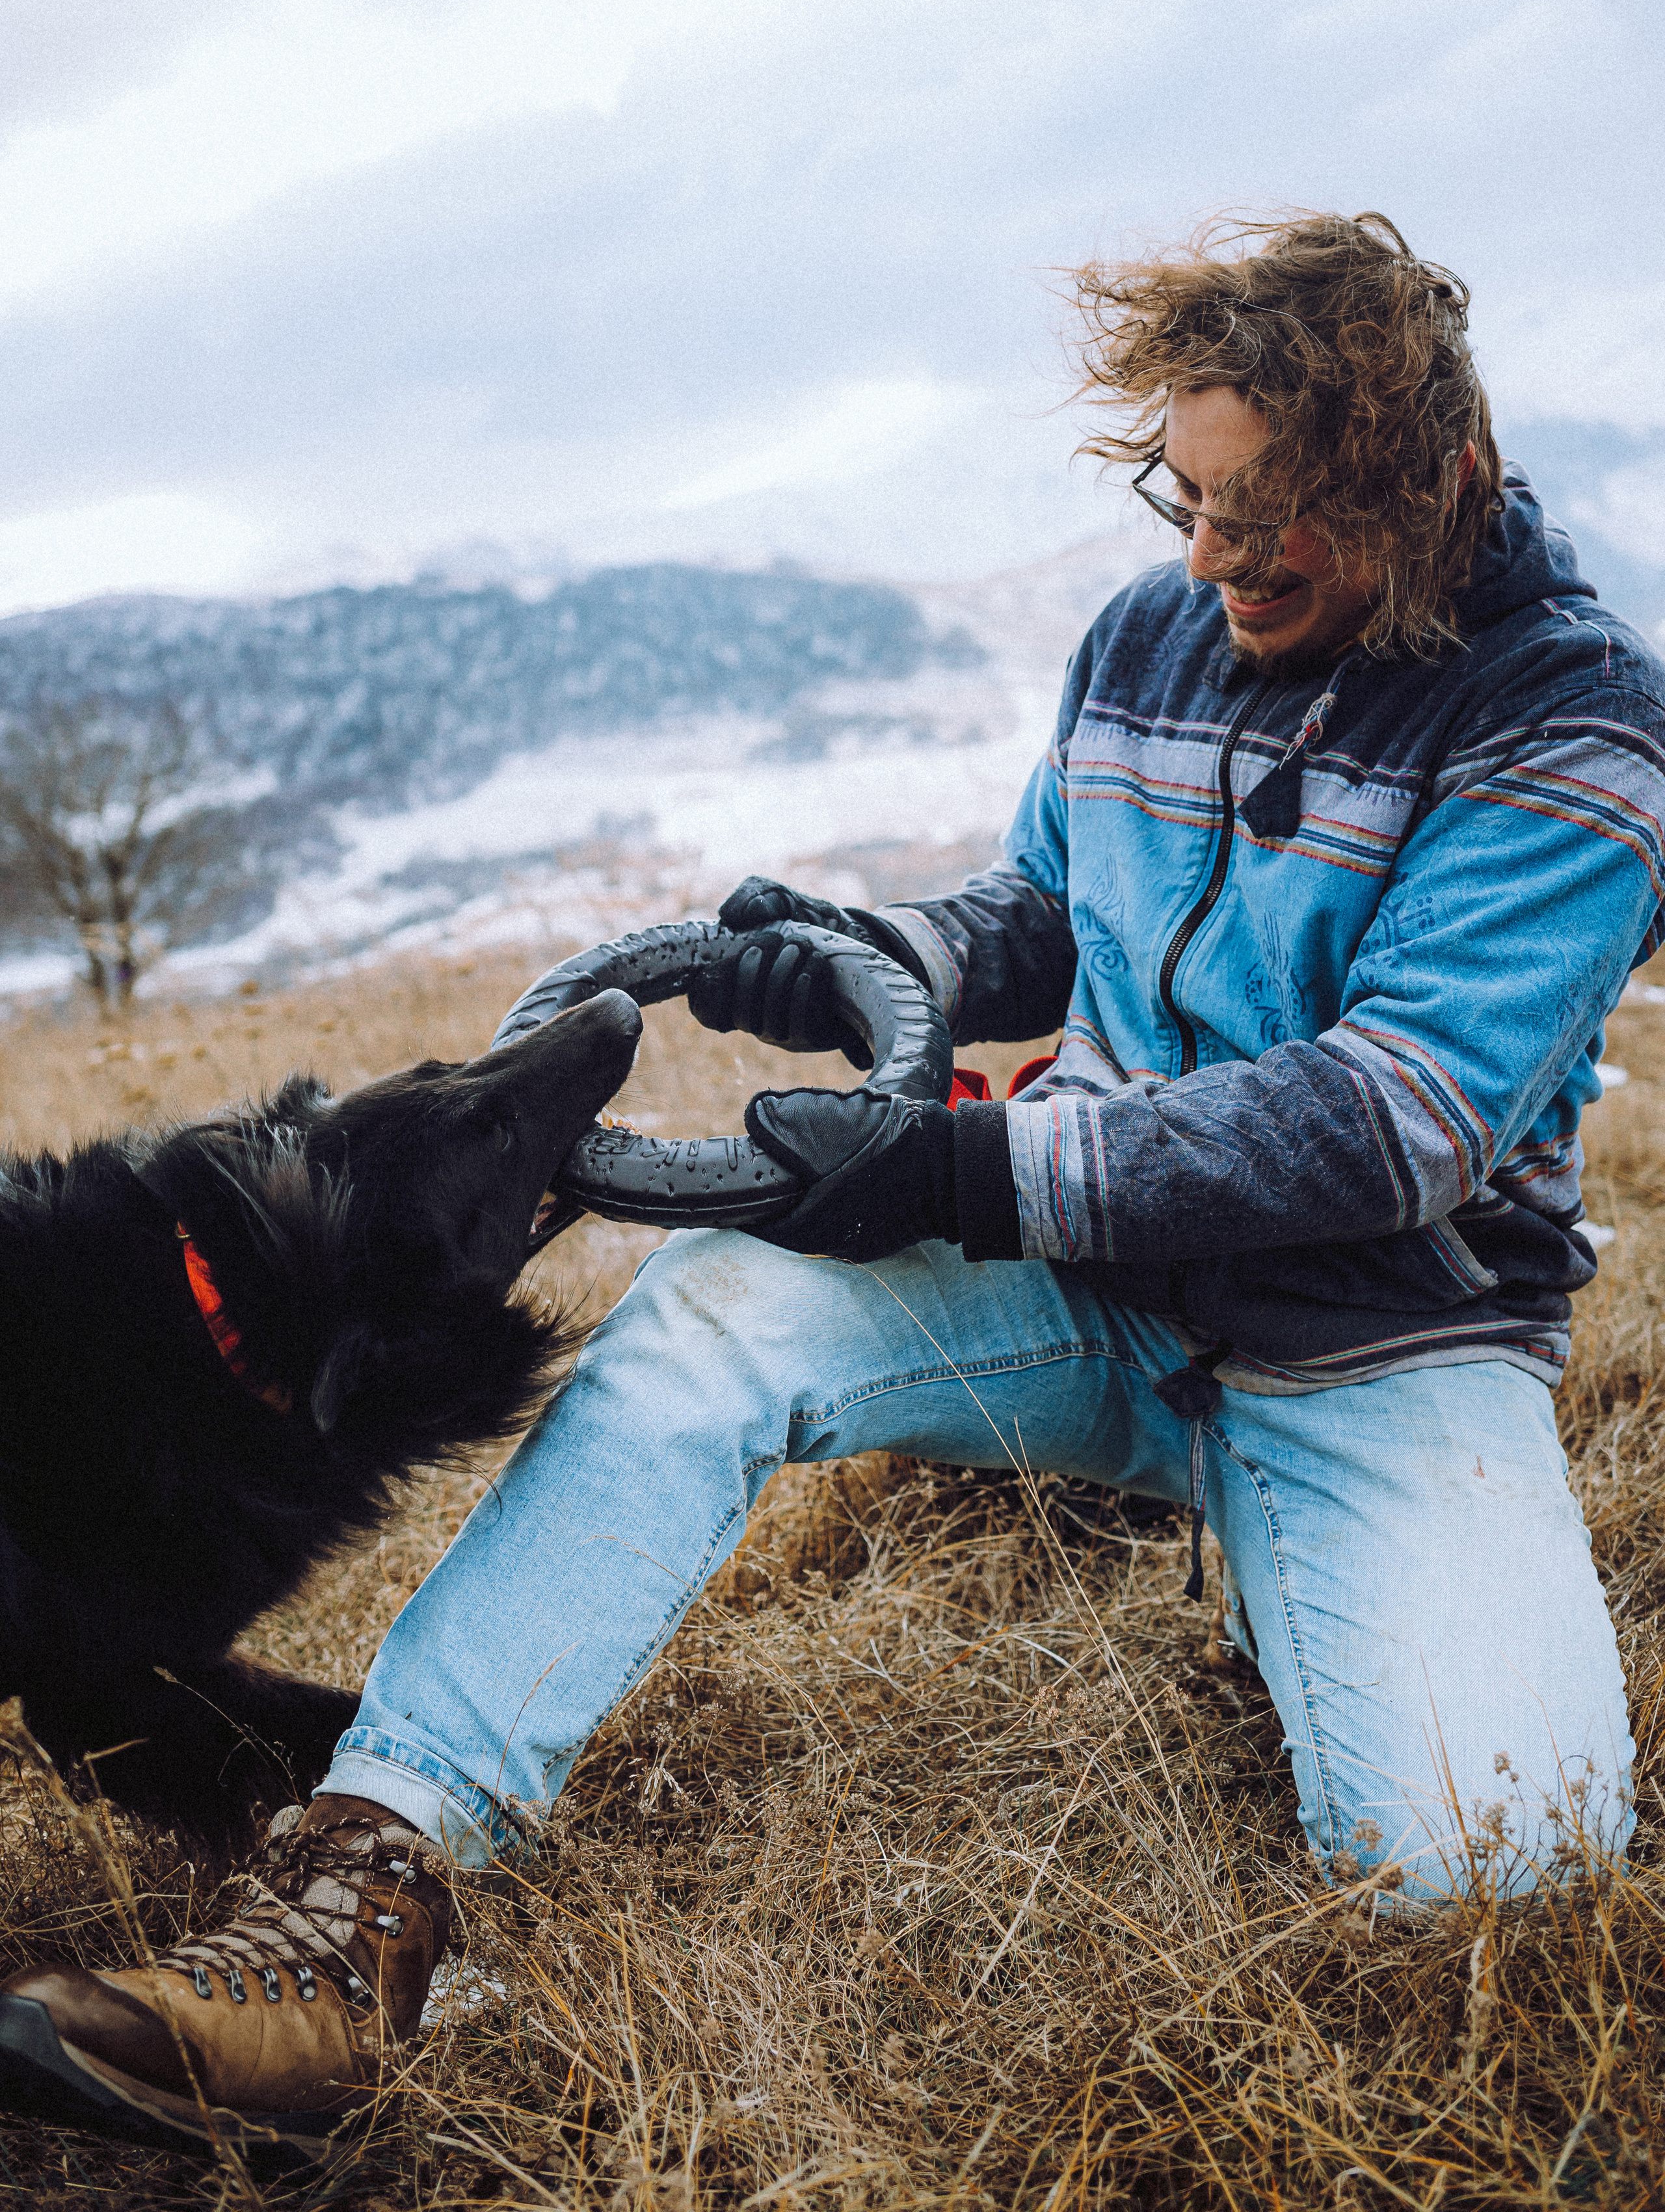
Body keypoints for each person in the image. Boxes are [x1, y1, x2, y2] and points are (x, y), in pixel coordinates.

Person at [7, 210, 1663, 2155]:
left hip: (1381, 1350)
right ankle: (362, 1895)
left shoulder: (1575, 724)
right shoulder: (1154, 635)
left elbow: (1391, 1122)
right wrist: (863, 963)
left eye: (1270, 519)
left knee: (1497, 1880)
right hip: (1098, 1298)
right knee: (708, 1318)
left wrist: (965, 1169)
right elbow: (1053, 912)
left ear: (1444, 476)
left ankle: (1299, 1568)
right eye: (1186, 500)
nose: (1210, 561)